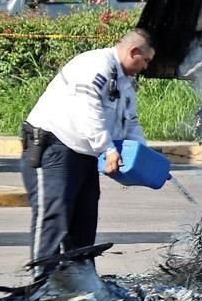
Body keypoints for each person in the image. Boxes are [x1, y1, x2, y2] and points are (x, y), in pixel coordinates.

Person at [20, 28, 156, 277]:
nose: (146, 66)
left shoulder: (124, 82)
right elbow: (88, 109)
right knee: (54, 214)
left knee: (85, 218)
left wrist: (143, 156)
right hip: (54, 146)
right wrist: (107, 148)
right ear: (133, 51)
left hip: (84, 153)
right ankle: (42, 283)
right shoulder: (96, 65)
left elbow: (131, 122)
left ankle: (80, 282)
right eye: (145, 60)